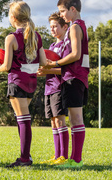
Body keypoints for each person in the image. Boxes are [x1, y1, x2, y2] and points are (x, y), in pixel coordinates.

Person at [0, 1, 47, 168]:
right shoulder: (36, 36)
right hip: (31, 82)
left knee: (23, 120)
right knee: (22, 120)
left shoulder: (11, 37)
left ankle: (25, 159)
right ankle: (27, 155)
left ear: (13, 18)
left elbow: (7, 66)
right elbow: (43, 62)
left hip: (17, 82)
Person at [44, 0, 89, 168]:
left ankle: (76, 160)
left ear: (73, 9)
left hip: (73, 77)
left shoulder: (74, 27)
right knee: (75, 118)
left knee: (76, 118)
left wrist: (55, 63)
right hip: (76, 76)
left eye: (63, 11)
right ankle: (73, 159)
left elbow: (75, 54)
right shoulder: (79, 26)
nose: (61, 14)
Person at [37, 12, 69, 165]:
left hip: (60, 87)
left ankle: (64, 156)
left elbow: (66, 70)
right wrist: (42, 71)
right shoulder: (51, 46)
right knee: (53, 122)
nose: (53, 29)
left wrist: (47, 70)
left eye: (56, 26)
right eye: (51, 27)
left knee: (60, 121)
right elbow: (47, 67)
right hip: (49, 89)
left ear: (65, 27)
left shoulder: (66, 46)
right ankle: (56, 156)